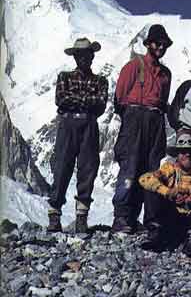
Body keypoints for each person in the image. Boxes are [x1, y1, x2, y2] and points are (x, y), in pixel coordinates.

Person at [111, 24, 172, 233]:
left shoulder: (166, 74)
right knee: (130, 167)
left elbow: (164, 101)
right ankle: (121, 217)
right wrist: (132, 119)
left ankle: (146, 219)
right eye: (157, 43)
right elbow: (119, 97)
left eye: (164, 44)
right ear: (148, 44)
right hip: (135, 119)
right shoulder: (134, 66)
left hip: (155, 120)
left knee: (151, 169)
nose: (160, 47)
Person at [48, 38, 108, 233]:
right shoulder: (63, 76)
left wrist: (75, 100)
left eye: (87, 55)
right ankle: (54, 216)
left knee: (88, 169)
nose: (84, 58)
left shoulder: (101, 80)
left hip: (88, 125)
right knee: (61, 167)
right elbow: (60, 99)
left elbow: (100, 104)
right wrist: (86, 101)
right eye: (80, 55)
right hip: (69, 124)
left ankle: (81, 217)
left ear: (92, 56)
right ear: (75, 57)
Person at [139, 133, 191, 257]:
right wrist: (168, 192)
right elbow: (145, 179)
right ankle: (155, 232)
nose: (187, 155)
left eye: (190, 152)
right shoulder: (169, 168)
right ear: (177, 155)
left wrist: (187, 190)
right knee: (152, 188)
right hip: (170, 217)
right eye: (183, 152)